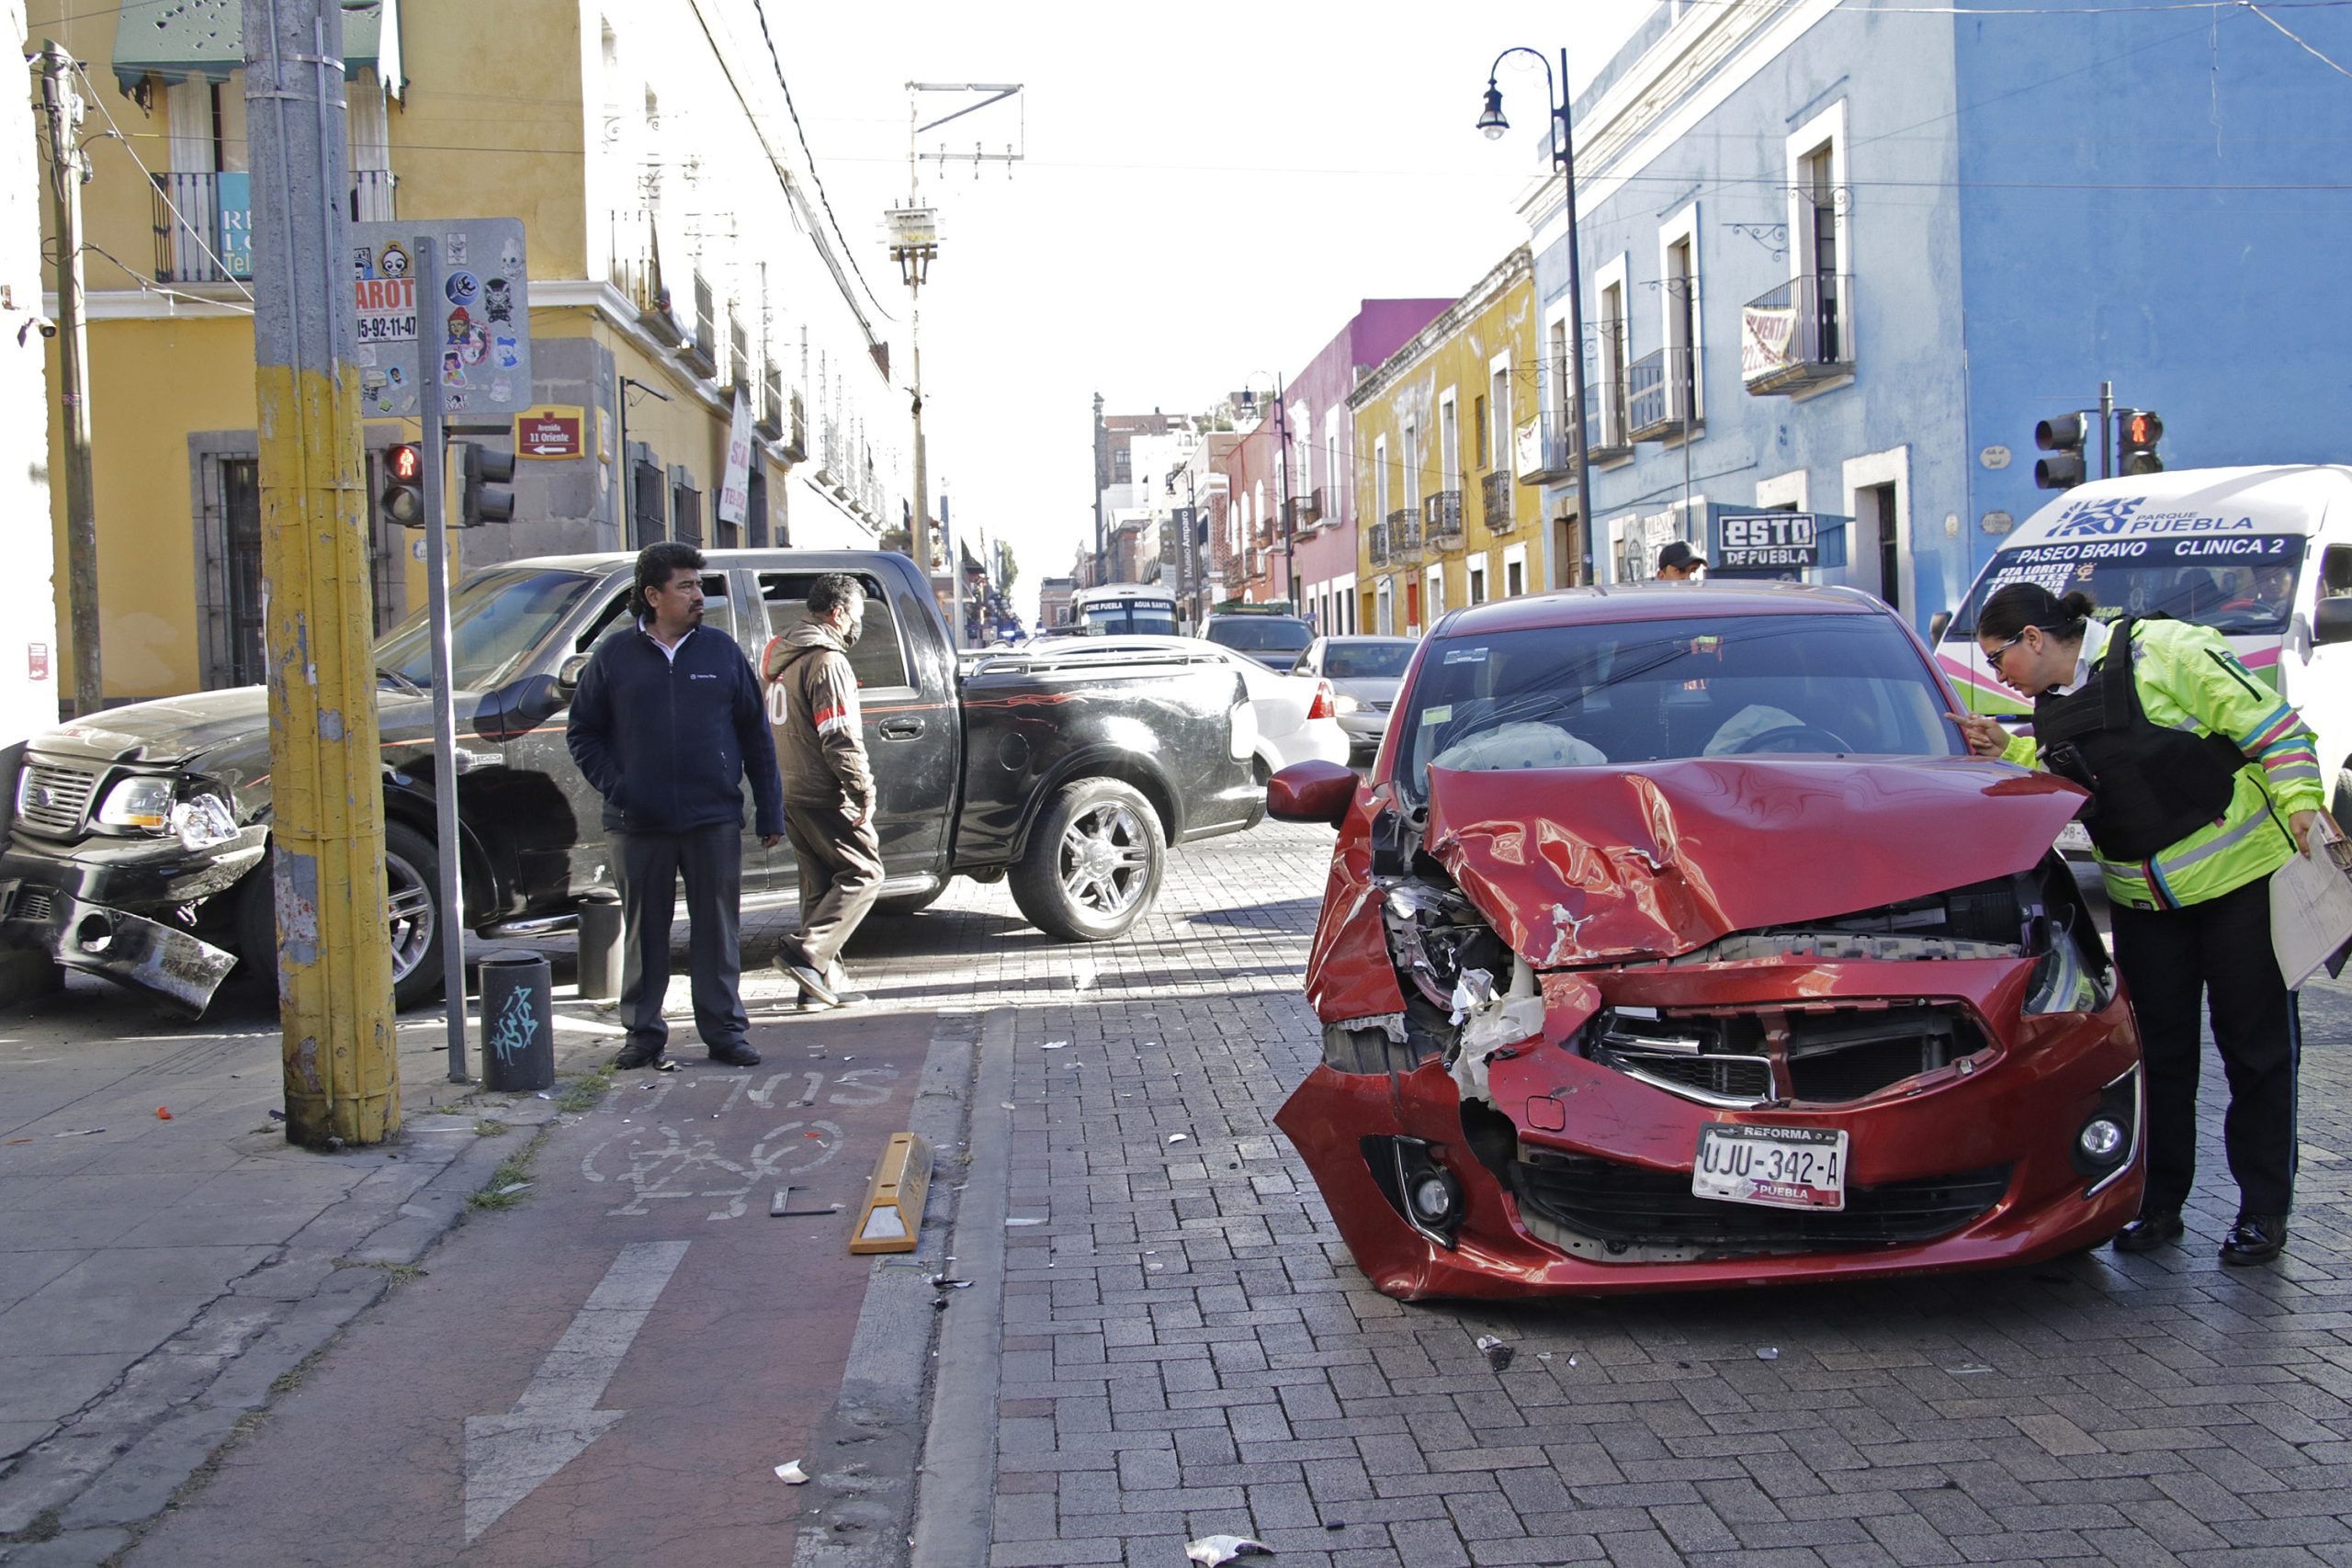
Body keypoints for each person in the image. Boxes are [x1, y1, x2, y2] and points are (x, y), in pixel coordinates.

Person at [1952, 582, 2338, 1265]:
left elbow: (2276, 729)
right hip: (2144, 905)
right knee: (2158, 1059)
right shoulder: (2054, 704)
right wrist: (2006, 755)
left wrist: (2304, 804)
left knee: (2257, 1052)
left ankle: (2262, 1211)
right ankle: (2158, 1203)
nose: (1995, 673)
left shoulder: (2168, 651)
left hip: (2241, 886)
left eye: (1997, 656)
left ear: (2036, 639)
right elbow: (2077, 775)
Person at [566, 543, 783, 1070]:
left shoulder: (721, 652)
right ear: (652, 595)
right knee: (646, 932)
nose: (698, 596)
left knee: (718, 930)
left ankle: (725, 1032)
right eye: (685, 586)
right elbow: (583, 733)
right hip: (637, 823)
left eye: (698, 585)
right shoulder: (614, 656)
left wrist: (771, 809)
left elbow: (756, 735)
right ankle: (643, 1034)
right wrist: (620, 786)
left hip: (713, 818)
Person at [763, 572, 883, 1009]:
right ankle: (805, 954)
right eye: (857, 614)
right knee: (865, 874)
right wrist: (862, 789)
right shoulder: (827, 662)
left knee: (818, 886)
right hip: (820, 789)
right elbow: (839, 736)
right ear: (837, 612)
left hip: (787, 788)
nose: (858, 624)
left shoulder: (784, 658)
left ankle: (817, 987)